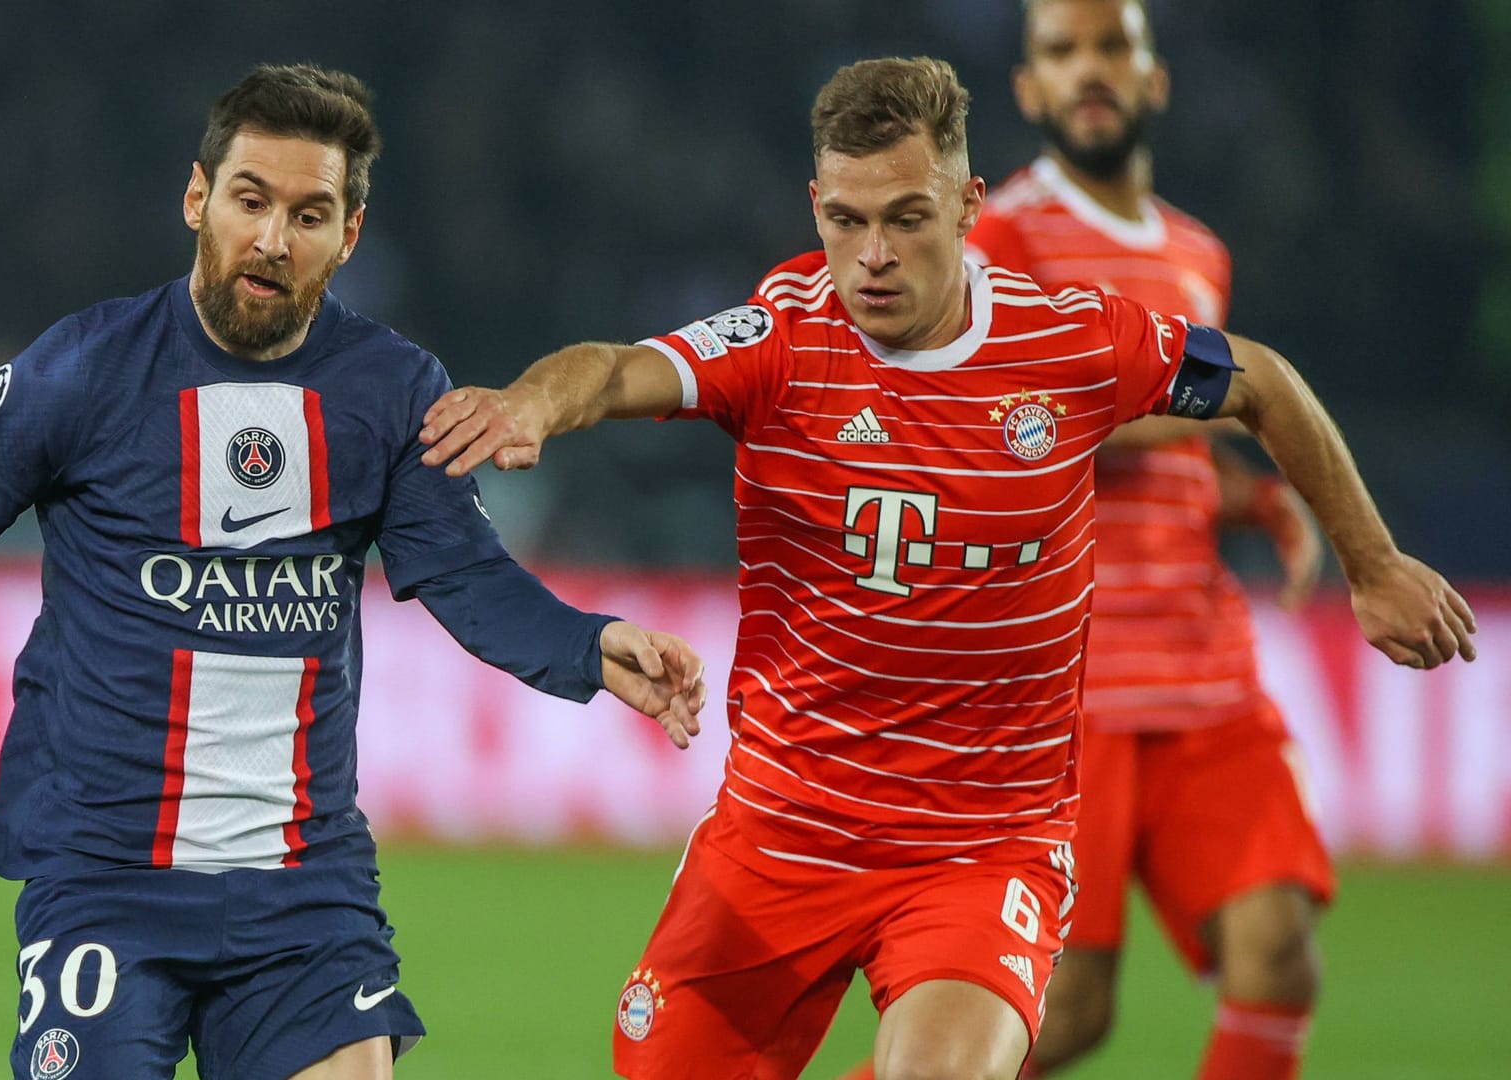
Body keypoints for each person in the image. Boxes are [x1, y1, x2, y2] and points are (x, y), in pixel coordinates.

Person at [0, 64, 707, 1080]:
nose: (272, 237)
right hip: (105, 876)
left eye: (308, 214)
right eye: (249, 198)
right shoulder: (80, 373)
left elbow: (469, 577)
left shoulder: (387, 392)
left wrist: (583, 644)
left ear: (348, 234)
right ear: (197, 199)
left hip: (303, 886)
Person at [417, 55, 1475, 1080]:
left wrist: (1371, 562)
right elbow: (612, 370)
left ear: (967, 206)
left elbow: (1260, 381)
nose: (872, 254)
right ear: (816, 204)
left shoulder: (1071, 345)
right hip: (783, 832)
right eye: (845, 220)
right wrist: (528, 405)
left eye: (906, 218)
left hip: (983, 849)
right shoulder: (780, 337)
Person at [913, 3, 1334, 1077]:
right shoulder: (1000, 240)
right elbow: (993, 420)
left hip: (1200, 670)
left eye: (1112, 48)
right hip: (1071, 684)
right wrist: (1224, 403)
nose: (1088, 70)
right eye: (1062, 53)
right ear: (1028, 91)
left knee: (1279, 951)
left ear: (1154, 81)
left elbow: (1160, 451)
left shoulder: (1200, 253)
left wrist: (1245, 494)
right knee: (1067, 1013)